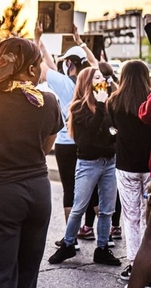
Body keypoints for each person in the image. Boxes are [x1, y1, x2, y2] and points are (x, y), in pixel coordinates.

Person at [0, 37, 63, 288]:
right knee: (28, 271)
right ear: (30, 69)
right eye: (39, 65)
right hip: (37, 191)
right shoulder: (48, 101)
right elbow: (45, 147)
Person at [34, 23, 100, 247]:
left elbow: (42, 67)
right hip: (86, 140)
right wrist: (80, 42)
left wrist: (36, 39)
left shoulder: (61, 83)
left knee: (69, 189)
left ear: (69, 63)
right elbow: (94, 63)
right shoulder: (91, 79)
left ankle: (71, 240)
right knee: (92, 188)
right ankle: (105, 234)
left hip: (65, 142)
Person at [48, 67, 120, 267]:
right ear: (87, 82)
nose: (101, 80)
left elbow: (113, 130)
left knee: (107, 209)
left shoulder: (108, 105)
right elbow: (87, 139)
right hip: (88, 163)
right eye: (96, 77)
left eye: (102, 77)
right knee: (79, 207)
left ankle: (102, 248)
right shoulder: (78, 107)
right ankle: (68, 244)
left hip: (109, 162)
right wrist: (100, 106)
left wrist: (112, 138)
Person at [108, 60, 151, 281]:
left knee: (131, 216)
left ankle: (135, 264)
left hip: (126, 165)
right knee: (147, 216)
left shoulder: (114, 101)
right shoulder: (149, 99)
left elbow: (112, 129)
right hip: (149, 165)